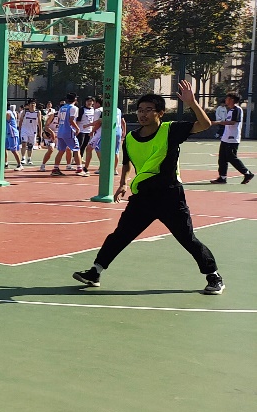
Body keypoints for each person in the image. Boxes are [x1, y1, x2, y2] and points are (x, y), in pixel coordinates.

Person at [72, 81, 227, 295]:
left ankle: (214, 276)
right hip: (143, 197)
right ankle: (95, 272)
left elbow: (204, 124)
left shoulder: (171, 130)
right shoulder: (131, 139)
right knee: (120, 235)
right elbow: (127, 163)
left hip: (170, 196)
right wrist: (123, 183)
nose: (143, 114)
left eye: (148, 110)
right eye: (140, 110)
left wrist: (191, 102)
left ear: (160, 113)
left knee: (187, 239)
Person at [210, 92, 253, 184]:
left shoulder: (237, 109)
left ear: (232, 100)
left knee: (231, 157)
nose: (226, 100)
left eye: (227, 98)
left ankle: (247, 173)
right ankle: (222, 177)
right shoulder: (230, 110)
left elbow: (233, 122)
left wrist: (218, 122)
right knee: (222, 158)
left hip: (232, 138)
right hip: (225, 138)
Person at [50, 93, 81, 176]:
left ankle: (55, 168)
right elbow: (71, 120)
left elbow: (59, 119)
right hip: (68, 131)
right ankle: (80, 169)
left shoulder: (62, 108)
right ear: (75, 99)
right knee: (76, 149)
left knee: (61, 150)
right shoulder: (74, 108)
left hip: (60, 131)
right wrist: (77, 128)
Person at [77, 96, 100, 176]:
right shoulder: (82, 109)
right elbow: (78, 120)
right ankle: (76, 159)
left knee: (85, 145)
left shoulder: (94, 110)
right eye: (88, 101)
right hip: (81, 130)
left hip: (89, 131)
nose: (89, 102)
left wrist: (92, 129)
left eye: (91, 101)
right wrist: (76, 129)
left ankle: (81, 158)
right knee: (80, 145)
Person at [18, 100, 40, 165]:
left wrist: (40, 132)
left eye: (34, 103)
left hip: (33, 131)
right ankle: (23, 158)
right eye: (31, 104)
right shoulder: (25, 111)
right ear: (29, 105)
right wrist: (20, 129)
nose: (33, 105)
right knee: (24, 143)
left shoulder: (38, 112)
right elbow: (21, 120)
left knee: (30, 146)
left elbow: (39, 122)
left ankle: (29, 158)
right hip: (24, 130)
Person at [5, 104, 23, 170]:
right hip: (7, 134)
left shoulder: (8, 113)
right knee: (4, 148)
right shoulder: (6, 113)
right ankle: (6, 163)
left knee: (13, 150)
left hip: (12, 134)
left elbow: (2, 117)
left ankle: (20, 165)